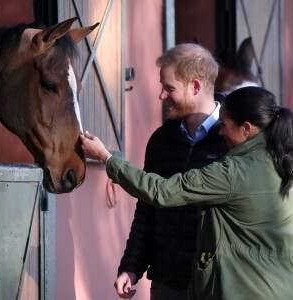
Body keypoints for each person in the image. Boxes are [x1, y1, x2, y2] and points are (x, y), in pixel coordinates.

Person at [80, 86, 293, 300]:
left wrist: (106, 158)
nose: (220, 132)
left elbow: (162, 191)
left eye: (225, 126)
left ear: (246, 129)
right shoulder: (284, 162)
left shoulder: (234, 172)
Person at [113, 43, 228, 299]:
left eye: (169, 87)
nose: (161, 96)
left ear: (195, 86)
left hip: (216, 287)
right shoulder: (161, 140)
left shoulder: (234, 140)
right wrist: (131, 267)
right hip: (166, 284)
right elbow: (147, 210)